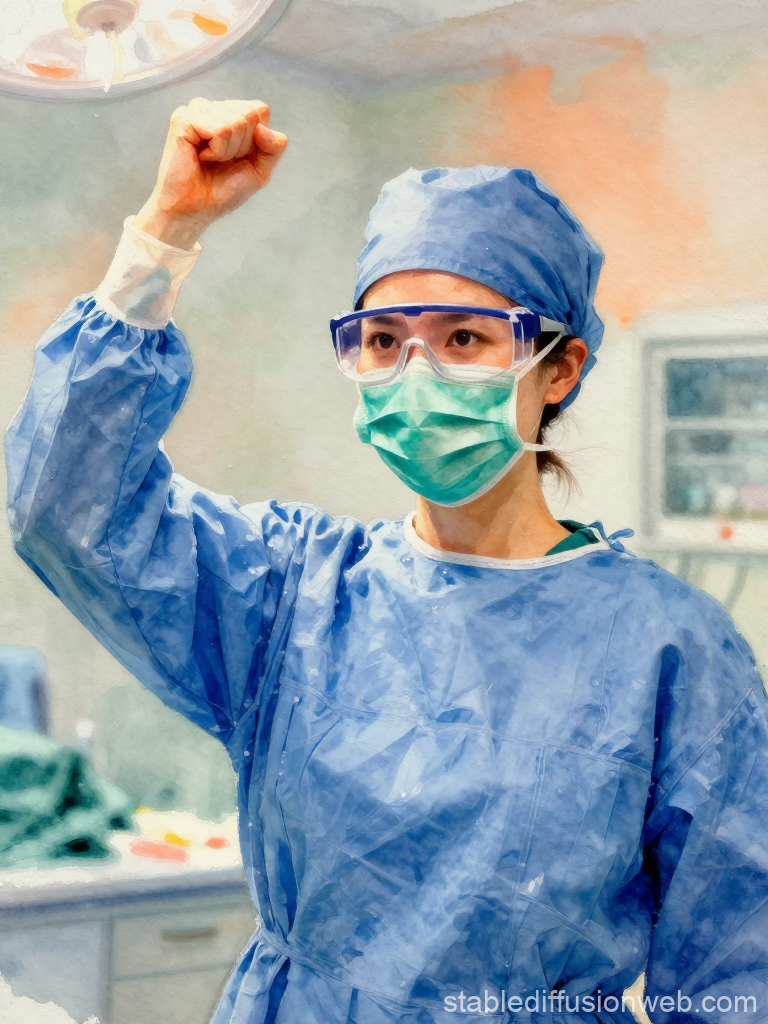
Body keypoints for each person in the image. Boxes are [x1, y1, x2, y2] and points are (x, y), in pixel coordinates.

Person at [6, 99, 768, 1024]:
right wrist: (165, 234)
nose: (418, 375)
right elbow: (67, 508)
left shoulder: (670, 650)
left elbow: (736, 980)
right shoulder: (292, 595)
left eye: (463, 340)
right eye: (382, 342)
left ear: (558, 368)